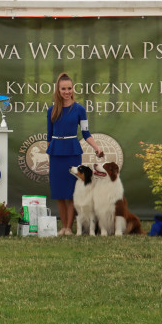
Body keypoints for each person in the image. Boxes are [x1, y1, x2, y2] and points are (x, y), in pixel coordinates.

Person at [47, 72, 104, 235]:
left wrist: (96, 147)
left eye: (69, 88)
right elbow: (49, 137)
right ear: (58, 90)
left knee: (72, 193)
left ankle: (69, 228)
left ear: (73, 89)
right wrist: (49, 157)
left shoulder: (80, 109)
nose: (67, 91)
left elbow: (86, 133)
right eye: (63, 88)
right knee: (59, 194)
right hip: (56, 153)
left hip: (73, 153)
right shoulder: (51, 110)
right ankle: (63, 227)